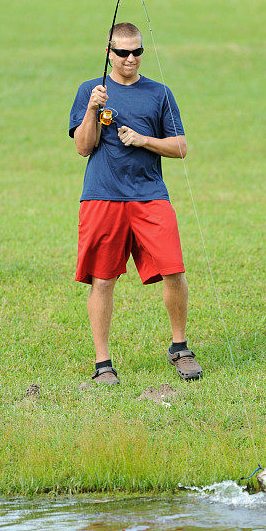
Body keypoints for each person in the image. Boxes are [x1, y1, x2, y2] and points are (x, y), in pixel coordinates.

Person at [69, 21, 203, 384]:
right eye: (123, 52)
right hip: (102, 196)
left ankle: (180, 348)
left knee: (174, 269)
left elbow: (181, 147)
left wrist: (144, 139)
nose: (131, 58)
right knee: (103, 279)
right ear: (108, 53)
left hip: (149, 196)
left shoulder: (159, 94)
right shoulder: (89, 91)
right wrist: (92, 110)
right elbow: (83, 147)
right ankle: (103, 365)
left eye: (137, 51)